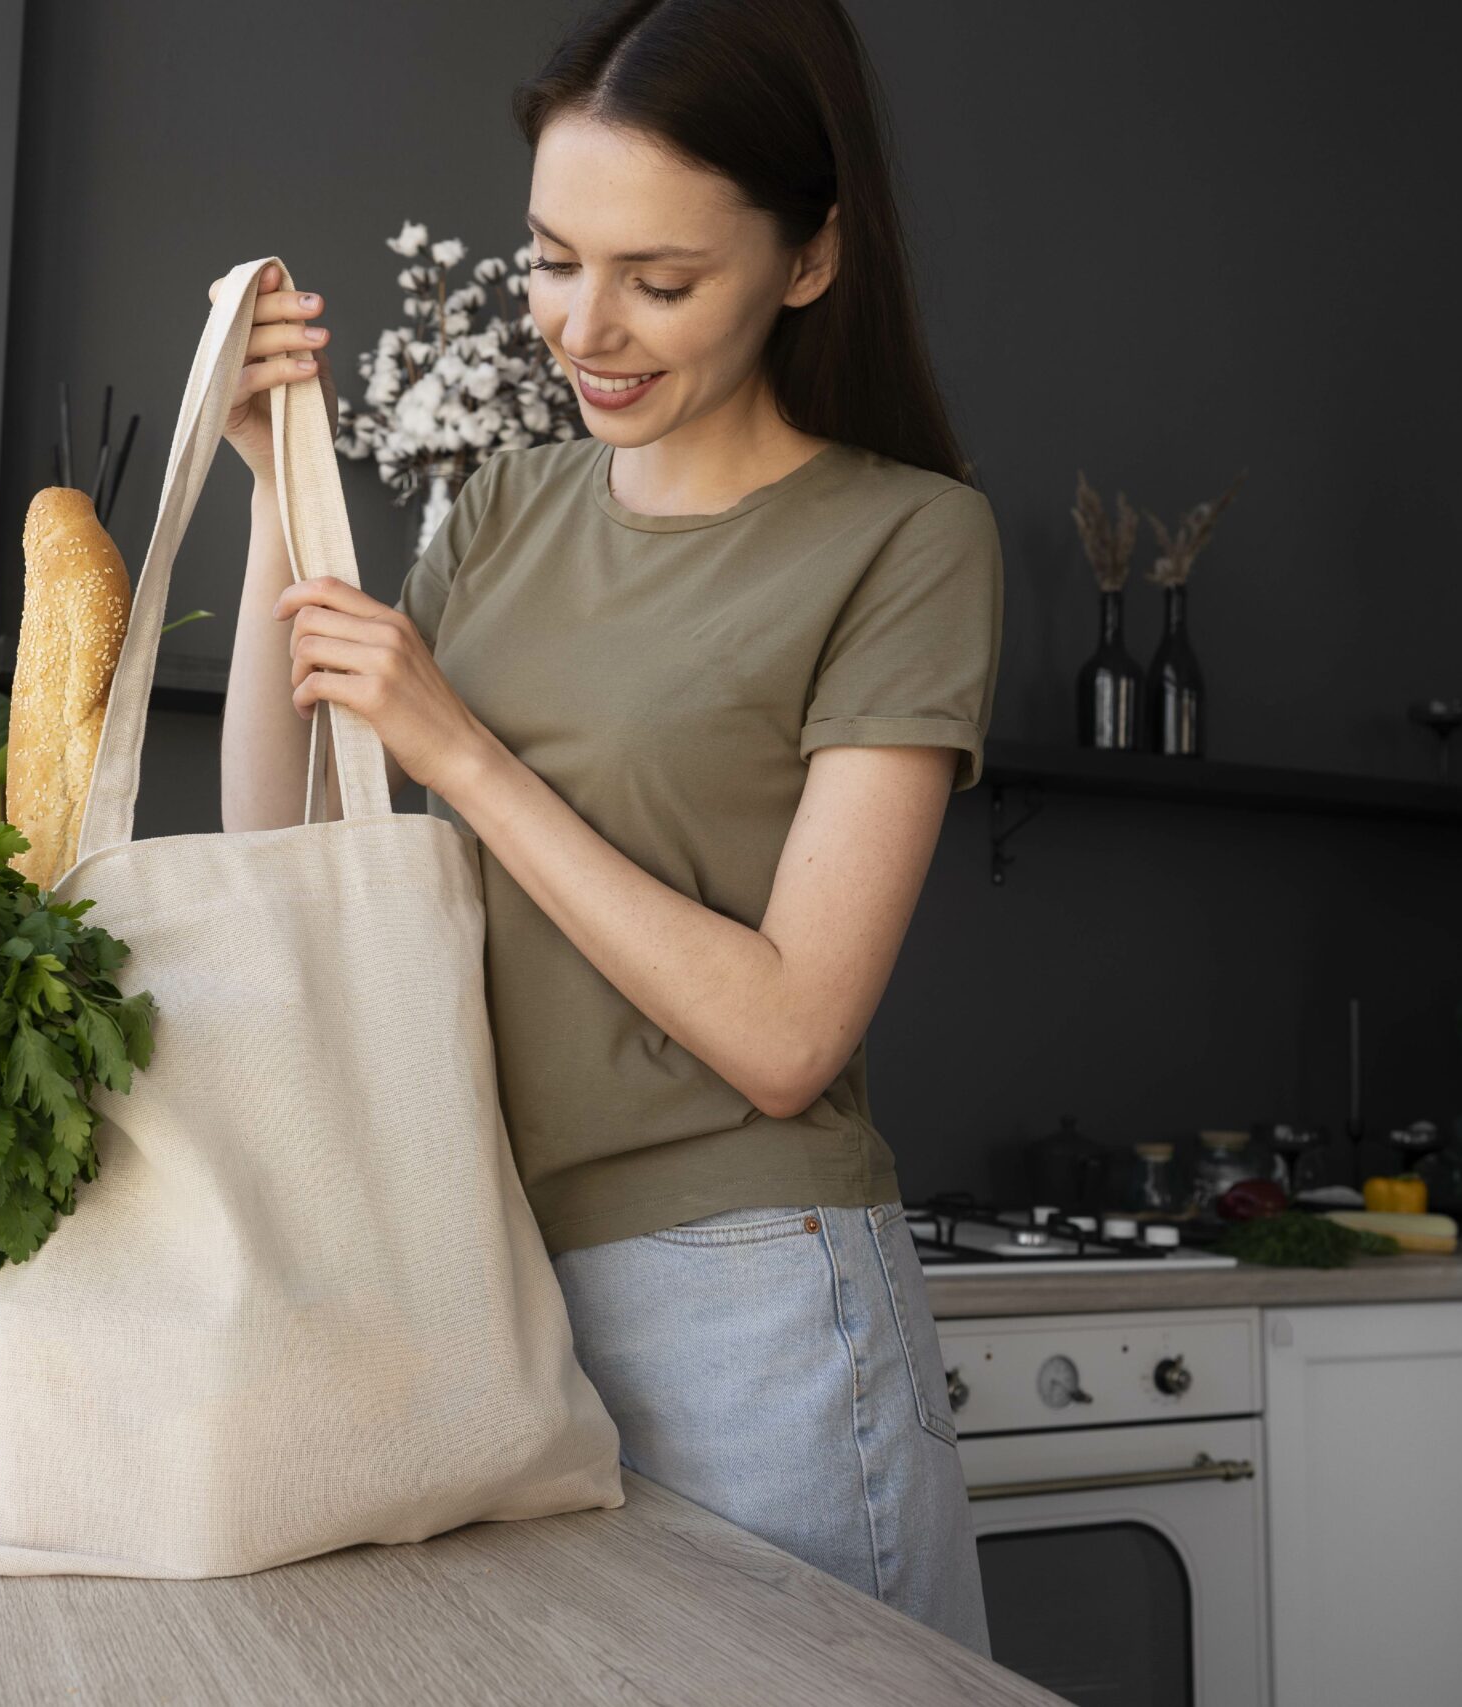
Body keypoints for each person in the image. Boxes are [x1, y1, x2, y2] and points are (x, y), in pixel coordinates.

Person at [212, 0, 996, 1659]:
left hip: (751, 1299)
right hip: (481, 1276)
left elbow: (788, 1035)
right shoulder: (508, 502)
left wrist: (464, 749)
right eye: (555, 260)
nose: (589, 327)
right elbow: (282, 841)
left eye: (662, 278)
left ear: (806, 259)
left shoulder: (907, 542)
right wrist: (281, 490)